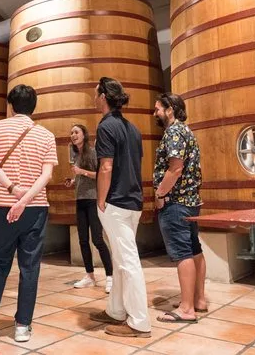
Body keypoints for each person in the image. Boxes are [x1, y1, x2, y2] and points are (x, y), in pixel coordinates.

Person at [0, 84, 58, 344]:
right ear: (34, 106)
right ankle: (23, 326)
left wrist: (14, 191)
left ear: (11, 105)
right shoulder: (46, 135)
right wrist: (25, 200)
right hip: (35, 208)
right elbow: (47, 175)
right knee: (30, 267)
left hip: (3, 205)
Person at [89, 77, 151, 338]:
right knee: (120, 258)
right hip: (133, 201)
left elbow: (106, 166)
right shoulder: (133, 129)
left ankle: (139, 322)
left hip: (115, 202)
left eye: (95, 94)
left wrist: (101, 200)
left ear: (103, 97)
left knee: (128, 262)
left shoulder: (106, 127)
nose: (93, 98)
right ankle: (116, 310)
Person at [153, 92, 206, 324]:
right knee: (194, 249)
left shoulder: (173, 132)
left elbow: (175, 168)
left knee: (182, 252)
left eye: (157, 109)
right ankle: (198, 300)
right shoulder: (187, 131)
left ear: (170, 110)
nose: (155, 113)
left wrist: (160, 193)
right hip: (191, 201)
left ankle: (186, 309)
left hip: (176, 202)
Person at [65, 124, 113, 292]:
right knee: (83, 240)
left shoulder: (92, 153)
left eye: (76, 132)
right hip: (80, 200)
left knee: (97, 239)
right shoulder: (75, 155)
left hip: (92, 199)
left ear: (84, 135)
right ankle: (89, 276)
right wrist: (73, 181)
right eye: (71, 132)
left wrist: (81, 172)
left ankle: (110, 276)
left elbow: (100, 175)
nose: (73, 135)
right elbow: (80, 176)